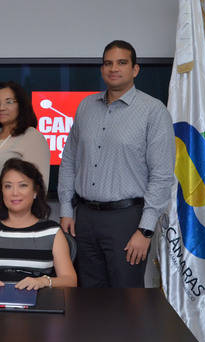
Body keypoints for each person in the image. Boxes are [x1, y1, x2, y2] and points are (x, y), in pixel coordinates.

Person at [58, 40, 175, 288]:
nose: (114, 68)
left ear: (135, 69)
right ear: (102, 69)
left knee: (126, 300)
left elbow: (162, 176)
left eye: (122, 62)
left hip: (127, 220)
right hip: (84, 219)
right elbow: (68, 160)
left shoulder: (154, 111)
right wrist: (66, 208)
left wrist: (145, 231)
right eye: (108, 63)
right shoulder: (86, 106)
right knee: (87, 297)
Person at [0, 158, 76, 289]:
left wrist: (43, 282)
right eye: (8, 186)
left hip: (39, 304)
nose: (14, 193)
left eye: (23, 185)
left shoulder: (52, 231)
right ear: (1, 192)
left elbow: (70, 280)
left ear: (35, 191)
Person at [0, 81, 50, 221]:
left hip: (16, 225)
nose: (2, 108)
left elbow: (40, 189)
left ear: (21, 105)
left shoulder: (32, 136)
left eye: (9, 102)